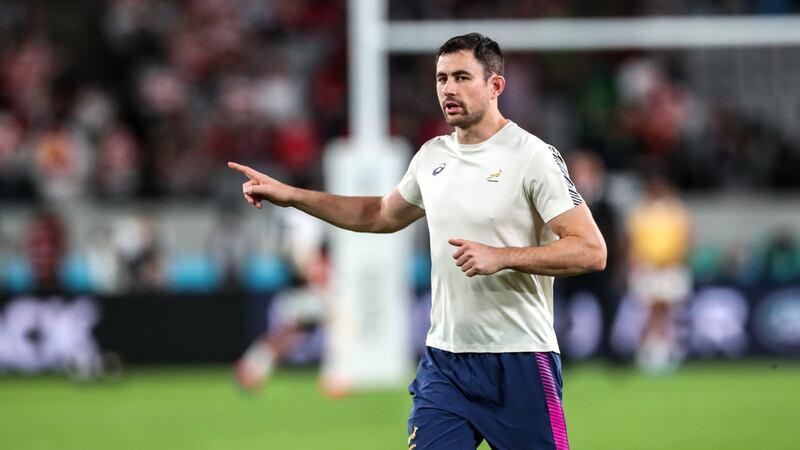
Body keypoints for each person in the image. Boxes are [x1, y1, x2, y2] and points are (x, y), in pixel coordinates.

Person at [229, 33, 606, 450]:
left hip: (519, 359)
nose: (448, 88)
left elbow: (591, 250)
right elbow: (379, 214)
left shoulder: (532, 157)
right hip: (445, 363)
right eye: (442, 78)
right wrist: (293, 196)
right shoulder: (432, 157)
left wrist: (503, 257)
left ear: (496, 85)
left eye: (462, 77)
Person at [627, 174, 692, 374]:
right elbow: (633, 241)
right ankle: (645, 349)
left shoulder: (677, 211)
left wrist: (673, 259)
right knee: (649, 309)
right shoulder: (640, 212)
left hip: (670, 267)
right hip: (648, 268)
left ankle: (666, 349)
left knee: (666, 310)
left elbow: (685, 239)